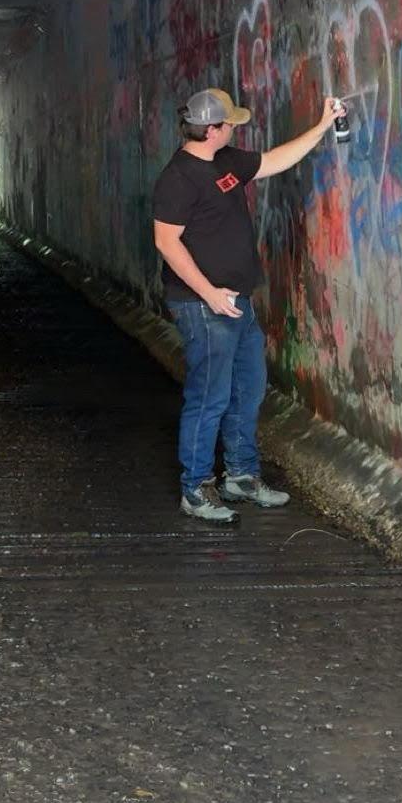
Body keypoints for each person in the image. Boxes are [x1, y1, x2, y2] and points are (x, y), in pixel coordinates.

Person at [151, 85, 349, 522]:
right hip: (205, 306)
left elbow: (275, 160)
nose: (235, 129)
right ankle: (196, 488)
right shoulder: (178, 179)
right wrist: (209, 294)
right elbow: (166, 242)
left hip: (238, 302)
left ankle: (240, 475)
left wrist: (321, 126)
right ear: (211, 130)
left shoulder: (227, 161)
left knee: (248, 388)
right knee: (210, 396)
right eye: (230, 124)